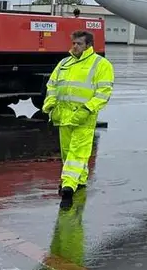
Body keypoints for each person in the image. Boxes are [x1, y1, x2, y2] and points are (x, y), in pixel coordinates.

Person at [41, 31, 115, 201]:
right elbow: (52, 85)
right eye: (74, 43)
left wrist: (87, 109)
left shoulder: (101, 64)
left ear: (88, 45)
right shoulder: (64, 63)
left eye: (79, 43)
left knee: (77, 153)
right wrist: (50, 105)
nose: (75, 46)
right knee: (68, 153)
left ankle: (68, 185)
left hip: (84, 118)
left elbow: (104, 92)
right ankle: (80, 180)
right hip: (63, 117)